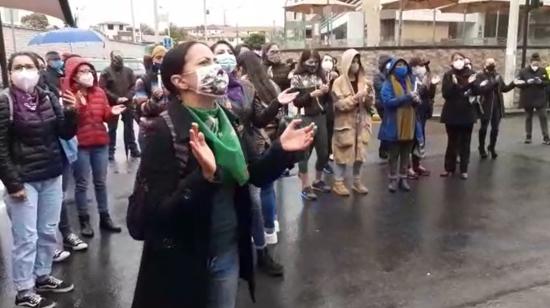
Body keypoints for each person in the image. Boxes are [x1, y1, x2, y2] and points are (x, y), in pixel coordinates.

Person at [130, 41, 314, 308]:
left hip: (227, 252)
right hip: (184, 260)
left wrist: (280, 151)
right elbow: (153, 217)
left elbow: (253, 174)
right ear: (179, 81)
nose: (216, 68)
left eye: (214, 62)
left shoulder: (230, 121)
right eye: (204, 63)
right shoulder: (163, 131)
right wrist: (202, 177)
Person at [0, 52, 77, 308]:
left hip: (51, 175)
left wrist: (72, 111)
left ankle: (42, 275)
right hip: (24, 180)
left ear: (38, 70)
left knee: (47, 231)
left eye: (29, 66)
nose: (24, 71)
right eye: (18, 67)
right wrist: (13, 184)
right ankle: (24, 290)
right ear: (10, 73)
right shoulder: (5, 101)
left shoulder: (47, 97)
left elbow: (64, 132)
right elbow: (0, 147)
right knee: (26, 237)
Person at [235, 49, 299, 275]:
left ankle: (262, 252)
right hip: (216, 161)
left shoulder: (245, 89)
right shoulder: (210, 93)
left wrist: (276, 103)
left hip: (248, 151)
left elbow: (259, 118)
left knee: (254, 201)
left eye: (226, 54)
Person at [63, 56, 127, 238]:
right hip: (81, 145)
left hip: (100, 142)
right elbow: (70, 122)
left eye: (90, 71)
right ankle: (84, 220)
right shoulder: (69, 95)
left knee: (100, 182)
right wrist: (77, 106)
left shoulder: (99, 92)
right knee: (82, 184)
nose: (88, 74)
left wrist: (112, 113)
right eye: (83, 71)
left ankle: (105, 217)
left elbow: (104, 115)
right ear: (74, 76)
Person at [331, 49, 373, 196]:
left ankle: (357, 181)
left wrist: (368, 97)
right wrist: (356, 98)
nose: (355, 65)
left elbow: (370, 105)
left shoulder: (365, 81)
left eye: (357, 62)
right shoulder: (338, 83)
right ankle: (338, 183)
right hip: (345, 124)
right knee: (342, 153)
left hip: (362, 124)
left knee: (360, 153)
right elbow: (340, 105)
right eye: (352, 62)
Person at [291, 49, 331, 201]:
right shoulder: (297, 77)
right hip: (305, 116)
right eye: (310, 61)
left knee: (323, 152)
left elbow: (327, 99)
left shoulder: (321, 76)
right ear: (303, 62)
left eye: (316, 61)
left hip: (320, 116)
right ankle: (305, 186)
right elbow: (296, 101)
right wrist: (310, 95)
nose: (313, 64)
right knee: (304, 153)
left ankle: (318, 179)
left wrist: (326, 92)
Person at [379, 58, 421, 192]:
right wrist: (407, 97)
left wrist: (416, 100)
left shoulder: (410, 81)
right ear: (392, 68)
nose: (401, 67)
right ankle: (392, 179)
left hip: (409, 124)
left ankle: (403, 178)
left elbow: (414, 102)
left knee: (405, 153)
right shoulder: (388, 83)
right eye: (398, 65)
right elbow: (388, 102)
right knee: (394, 155)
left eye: (403, 65)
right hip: (394, 124)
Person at [440, 52, 478, 180]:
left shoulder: (471, 74)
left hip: (467, 113)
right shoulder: (448, 75)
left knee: (465, 143)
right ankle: (449, 168)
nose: (459, 61)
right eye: (456, 59)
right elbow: (446, 93)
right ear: (451, 62)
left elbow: (476, 90)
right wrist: (455, 85)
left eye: (461, 59)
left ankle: (464, 169)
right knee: (452, 142)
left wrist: (468, 85)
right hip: (451, 113)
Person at [100, 50, 140, 161]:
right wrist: (116, 98)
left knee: (129, 128)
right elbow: (103, 88)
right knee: (112, 128)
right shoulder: (106, 72)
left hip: (127, 103)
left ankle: (133, 149)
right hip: (113, 104)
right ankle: (110, 151)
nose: (118, 61)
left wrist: (127, 97)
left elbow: (134, 86)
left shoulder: (128, 71)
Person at [475, 58, 515, 159]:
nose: (492, 64)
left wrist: (514, 83)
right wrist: (493, 83)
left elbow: (504, 88)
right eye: (489, 63)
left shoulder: (497, 76)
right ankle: (481, 147)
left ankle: (492, 147)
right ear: (485, 65)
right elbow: (481, 90)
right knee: (483, 128)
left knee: (495, 128)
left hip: (497, 106)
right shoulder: (480, 76)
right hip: (486, 105)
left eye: (493, 63)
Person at [408, 56, 439, 178]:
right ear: (413, 67)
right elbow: (414, 95)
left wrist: (433, 85)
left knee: (420, 139)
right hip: (413, 113)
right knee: (411, 139)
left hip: (423, 112)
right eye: (420, 66)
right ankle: (408, 167)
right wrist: (423, 86)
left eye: (424, 66)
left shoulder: (425, 78)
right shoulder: (410, 79)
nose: (423, 68)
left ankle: (417, 164)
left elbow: (430, 96)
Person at [515, 53, 550, 145]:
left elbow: (547, 82)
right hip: (528, 97)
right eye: (535, 62)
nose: (536, 64)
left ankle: (546, 137)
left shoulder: (543, 71)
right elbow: (518, 83)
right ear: (531, 62)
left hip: (540, 97)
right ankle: (528, 136)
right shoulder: (523, 71)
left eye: (538, 62)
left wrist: (541, 82)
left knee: (543, 117)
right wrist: (527, 82)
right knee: (528, 117)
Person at [321, 54, 339, 173]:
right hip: (318, 111)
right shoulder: (318, 76)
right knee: (319, 138)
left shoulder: (336, 76)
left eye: (330, 60)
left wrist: (334, 80)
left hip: (330, 111)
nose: (328, 62)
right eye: (326, 60)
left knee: (328, 136)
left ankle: (325, 160)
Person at [374, 54, 393, 159]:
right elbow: (382, 89)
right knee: (386, 125)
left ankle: (387, 148)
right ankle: (383, 149)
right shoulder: (378, 77)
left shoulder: (390, 76)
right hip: (381, 104)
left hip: (390, 103)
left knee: (388, 126)